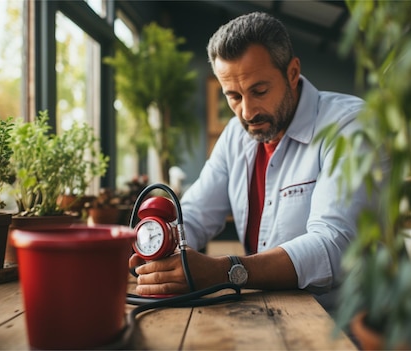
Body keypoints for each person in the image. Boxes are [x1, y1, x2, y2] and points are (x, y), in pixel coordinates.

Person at [129, 11, 386, 311]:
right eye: (233, 96)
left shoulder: (349, 126)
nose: (247, 112)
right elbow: (195, 215)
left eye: (259, 91)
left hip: (347, 326)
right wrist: (162, 243)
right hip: (270, 316)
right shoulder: (235, 136)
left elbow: (334, 245)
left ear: (292, 73)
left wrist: (224, 271)